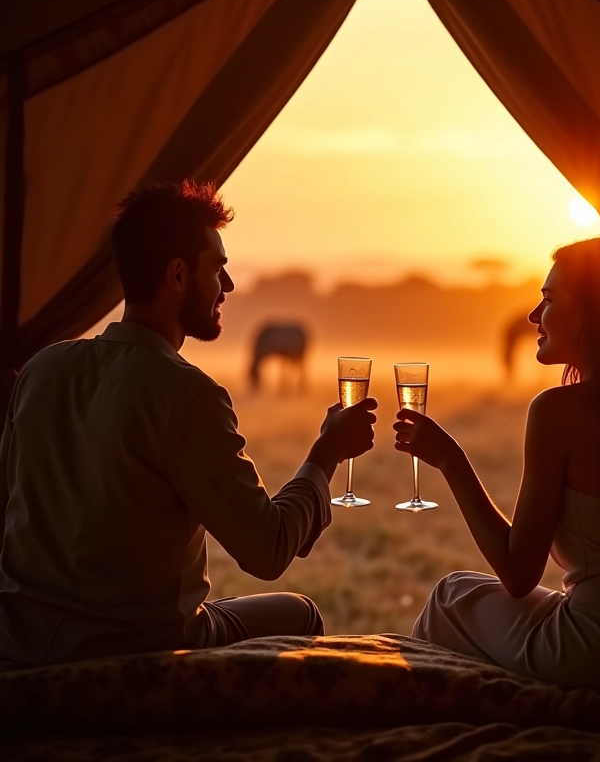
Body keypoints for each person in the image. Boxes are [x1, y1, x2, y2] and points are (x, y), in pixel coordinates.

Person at [0, 181, 377, 671]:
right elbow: (268, 550)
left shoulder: (40, 370)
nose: (230, 286)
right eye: (218, 269)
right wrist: (327, 453)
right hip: (142, 649)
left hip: (21, 645)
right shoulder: (187, 395)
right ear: (178, 275)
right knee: (300, 613)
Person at [395, 237, 600, 690]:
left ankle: (429, 718)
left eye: (549, 300)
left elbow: (518, 574)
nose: (534, 316)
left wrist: (451, 460)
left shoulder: (557, 410)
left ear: (592, 312)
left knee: (451, 596)